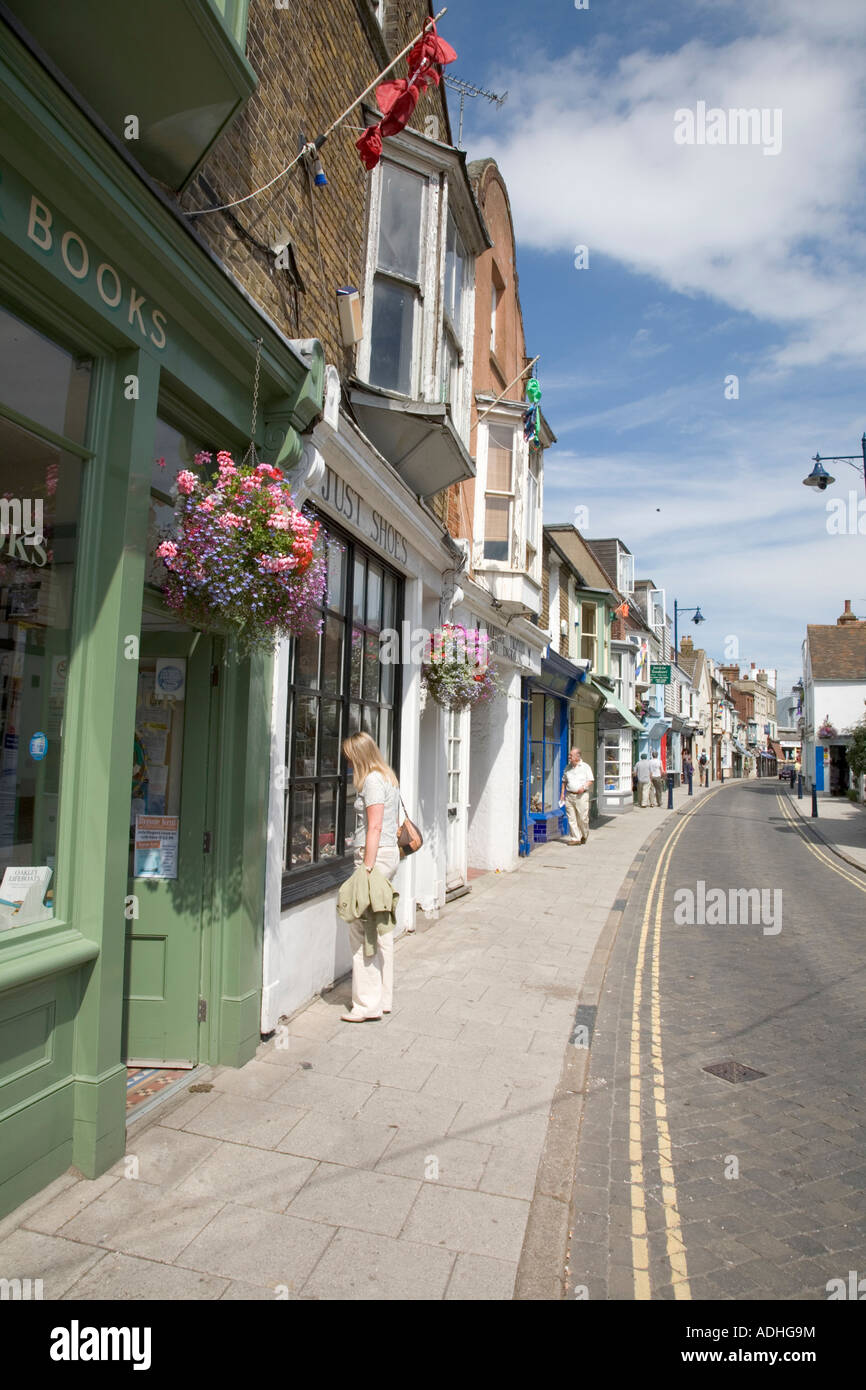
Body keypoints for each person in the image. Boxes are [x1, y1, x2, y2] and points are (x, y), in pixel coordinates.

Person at [339, 732, 402, 1022]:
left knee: (362, 929)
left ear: (359, 756)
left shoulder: (374, 780)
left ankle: (366, 1005)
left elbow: (374, 827)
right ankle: (383, 998)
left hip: (374, 857)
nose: (348, 764)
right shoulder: (387, 776)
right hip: (386, 856)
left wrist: (366, 867)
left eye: (350, 758)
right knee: (379, 927)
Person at [560, 747, 594, 844]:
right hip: (569, 795)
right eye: (569, 755)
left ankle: (584, 834)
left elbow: (590, 780)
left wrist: (583, 787)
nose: (569, 757)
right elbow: (564, 781)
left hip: (581, 796)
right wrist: (562, 794)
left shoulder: (585, 767)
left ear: (578, 756)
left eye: (571, 755)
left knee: (582, 818)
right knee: (571, 818)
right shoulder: (567, 767)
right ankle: (575, 838)